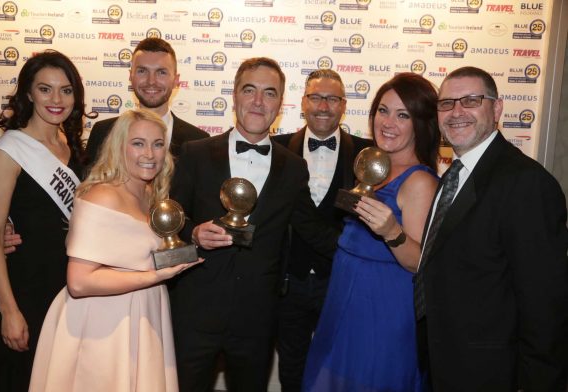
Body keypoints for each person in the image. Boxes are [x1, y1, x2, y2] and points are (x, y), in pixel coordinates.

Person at [169, 57, 339, 391]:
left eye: (269, 93)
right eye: (250, 90)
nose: (259, 101)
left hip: (257, 318)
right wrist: (194, 232)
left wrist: (374, 250)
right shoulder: (195, 153)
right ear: (234, 95)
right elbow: (170, 217)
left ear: (281, 103)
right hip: (195, 310)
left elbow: (312, 230)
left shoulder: (294, 168)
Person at [414, 66, 568, 391]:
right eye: (446, 103)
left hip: (492, 374)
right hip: (445, 364)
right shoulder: (451, 176)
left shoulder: (526, 183)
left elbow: (544, 305)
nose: (456, 112)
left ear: (496, 108)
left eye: (471, 100)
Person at [29, 109, 202, 392]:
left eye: (158, 144)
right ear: (119, 147)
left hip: (144, 312)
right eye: (138, 143)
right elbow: (79, 281)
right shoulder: (102, 195)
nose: (150, 153)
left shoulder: (151, 194)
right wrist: (154, 276)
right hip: (102, 323)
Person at [303, 73, 440, 392]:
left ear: (420, 123)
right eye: (383, 110)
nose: (388, 122)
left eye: (403, 115)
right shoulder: (372, 169)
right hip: (343, 303)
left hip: (382, 314)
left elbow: (419, 262)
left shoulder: (419, 182)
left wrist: (392, 230)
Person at [0, 50, 90, 391]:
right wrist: (8, 310)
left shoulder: (72, 146)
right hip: (27, 288)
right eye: (45, 89)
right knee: (24, 377)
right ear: (28, 93)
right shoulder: (8, 151)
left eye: (66, 90)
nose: (56, 100)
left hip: (71, 285)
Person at [272, 69, 372, 391]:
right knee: (292, 371)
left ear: (343, 105)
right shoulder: (276, 149)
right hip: (288, 284)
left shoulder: (369, 155)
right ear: (302, 102)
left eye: (332, 99)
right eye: (316, 97)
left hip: (343, 283)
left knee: (342, 371)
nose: (323, 106)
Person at [85, 37, 209, 165]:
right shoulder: (103, 132)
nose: (151, 81)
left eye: (161, 72)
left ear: (176, 80)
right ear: (130, 76)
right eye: (142, 71)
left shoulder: (198, 140)